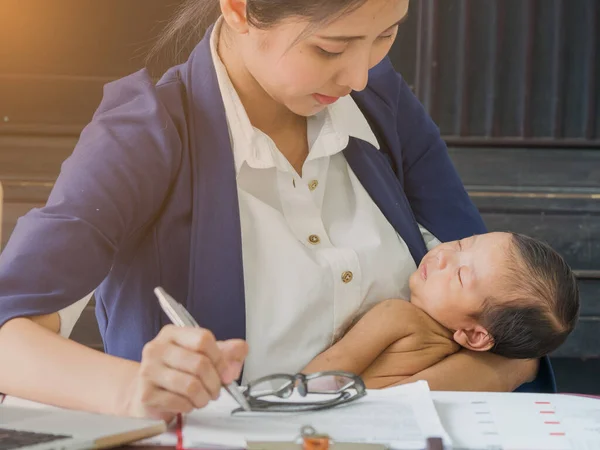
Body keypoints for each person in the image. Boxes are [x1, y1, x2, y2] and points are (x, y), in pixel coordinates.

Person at [0, 0, 550, 423]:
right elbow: (9, 329)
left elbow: (509, 329)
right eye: (331, 49)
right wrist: (130, 387)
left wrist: (378, 401)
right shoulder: (144, 135)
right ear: (239, 9)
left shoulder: (381, 105)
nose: (359, 75)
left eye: (387, 33)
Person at [303, 232, 580, 388]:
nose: (444, 255)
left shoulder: (397, 316)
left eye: (460, 276)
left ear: (475, 336)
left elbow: (327, 370)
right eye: (462, 244)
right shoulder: (468, 363)